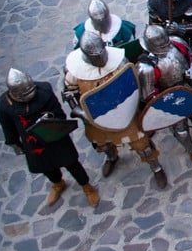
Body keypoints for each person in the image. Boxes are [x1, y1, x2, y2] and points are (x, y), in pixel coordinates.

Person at [64, 32, 168, 189]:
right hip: (97, 118)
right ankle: (112, 157)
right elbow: (69, 95)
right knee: (104, 144)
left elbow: (133, 83)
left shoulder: (119, 62)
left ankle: (156, 167)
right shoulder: (74, 73)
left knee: (142, 144)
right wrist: (82, 113)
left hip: (124, 112)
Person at [0, 69, 100, 208]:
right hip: (32, 143)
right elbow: (7, 125)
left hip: (54, 135)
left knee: (71, 163)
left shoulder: (44, 92)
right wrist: (14, 143)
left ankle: (86, 186)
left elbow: (59, 113)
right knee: (46, 166)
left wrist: (49, 118)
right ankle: (58, 183)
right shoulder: (4, 105)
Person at [135, 25, 192, 166]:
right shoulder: (147, 67)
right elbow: (149, 96)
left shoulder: (177, 42)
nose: (165, 46)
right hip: (172, 98)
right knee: (181, 130)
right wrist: (166, 101)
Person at [71, 0, 136, 49]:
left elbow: (130, 47)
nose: (101, 20)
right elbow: (78, 51)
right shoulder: (82, 32)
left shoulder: (122, 28)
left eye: (103, 19)